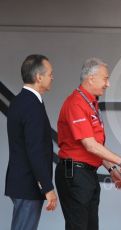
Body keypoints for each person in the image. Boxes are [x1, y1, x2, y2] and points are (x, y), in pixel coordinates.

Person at [55, 57, 121, 230]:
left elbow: (96, 146)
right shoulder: (76, 103)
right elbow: (90, 145)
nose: (108, 84)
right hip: (75, 173)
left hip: (86, 174)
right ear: (91, 78)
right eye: (105, 78)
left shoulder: (91, 104)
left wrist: (111, 169)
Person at [5, 54, 57, 230]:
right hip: (28, 184)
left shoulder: (21, 101)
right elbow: (35, 150)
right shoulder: (31, 105)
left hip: (22, 182)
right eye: (50, 73)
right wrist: (47, 187)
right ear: (38, 77)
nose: (52, 77)